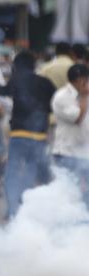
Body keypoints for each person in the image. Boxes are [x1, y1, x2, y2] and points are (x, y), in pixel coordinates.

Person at [0, 50, 56, 217]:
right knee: (30, 172)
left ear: (16, 66)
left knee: (13, 174)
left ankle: (13, 209)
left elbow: (2, 91)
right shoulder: (45, 82)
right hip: (39, 136)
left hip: (19, 135)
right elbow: (54, 104)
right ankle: (25, 209)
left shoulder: (16, 80)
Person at [50, 63, 89, 205]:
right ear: (80, 80)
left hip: (84, 153)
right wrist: (85, 96)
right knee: (69, 195)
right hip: (67, 153)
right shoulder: (62, 96)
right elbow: (78, 118)